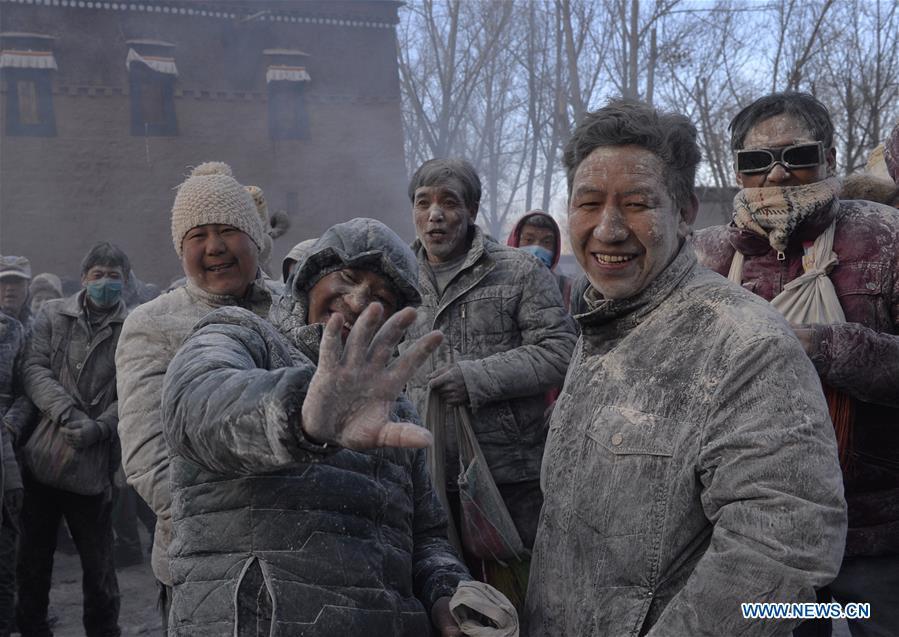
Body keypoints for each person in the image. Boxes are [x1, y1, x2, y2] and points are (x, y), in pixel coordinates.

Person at [525, 99, 847, 636]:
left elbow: (785, 546)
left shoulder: (747, 346)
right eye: (588, 203)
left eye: (636, 204)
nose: (607, 229)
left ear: (685, 210)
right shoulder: (600, 318)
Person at [161, 218, 472, 636]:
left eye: (381, 296)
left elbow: (427, 536)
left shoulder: (395, 410)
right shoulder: (244, 335)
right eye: (347, 276)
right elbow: (193, 404)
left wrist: (447, 590)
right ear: (310, 279)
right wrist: (302, 416)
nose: (360, 300)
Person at [694, 92, 899, 637]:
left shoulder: (887, 239)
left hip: (875, 534)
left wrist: (824, 346)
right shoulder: (705, 259)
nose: (778, 175)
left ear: (829, 157)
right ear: (737, 170)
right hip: (759, 532)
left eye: (797, 155)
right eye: (757, 162)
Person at [403, 158, 576, 605]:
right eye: (423, 203)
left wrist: (477, 378)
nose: (435, 215)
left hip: (508, 476)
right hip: (424, 474)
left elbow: (561, 351)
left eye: (449, 202)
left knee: (527, 592)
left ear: (473, 210)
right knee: (445, 595)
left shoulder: (518, 271)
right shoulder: (397, 277)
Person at [115, 161, 273, 632]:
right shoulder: (151, 324)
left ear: (254, 238)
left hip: (300, 553)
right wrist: (226, 526)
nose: (215, 247)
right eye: (197, 236)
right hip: (199, 557)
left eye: (228, 230)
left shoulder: (293, 307)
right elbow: (147, 456)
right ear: (180, 248)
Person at [17, 241, 130, 637]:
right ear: (83, 278)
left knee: (99, 567)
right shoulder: (52, 314)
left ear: (125, 282)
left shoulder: (133, 326)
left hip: (94, 467)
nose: (104, 283)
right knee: (33, 560)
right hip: (43, 460)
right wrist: (67, 413)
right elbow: (33, 368)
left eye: (113, 277)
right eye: (97, 275)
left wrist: (98, 427)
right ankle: (32, 629)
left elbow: (132, 392)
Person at [506, 210, 574, 311]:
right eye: (529, 240)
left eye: (546, 242)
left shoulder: (568, 289)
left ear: (555, 249)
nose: (537, 248)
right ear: (515, 243)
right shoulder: (498, 286)